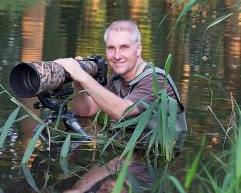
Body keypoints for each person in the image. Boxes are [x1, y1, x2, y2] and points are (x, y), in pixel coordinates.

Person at [54, 20, 187, 132]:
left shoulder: (155, 80)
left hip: (161, 155)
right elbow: (85, 110)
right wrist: (78, 84)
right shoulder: (117, 80)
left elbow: (121, 110)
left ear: (138, 49)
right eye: (111, 48)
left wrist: (82, 76)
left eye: (124, 47)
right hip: (135, 150)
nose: (117, 56)